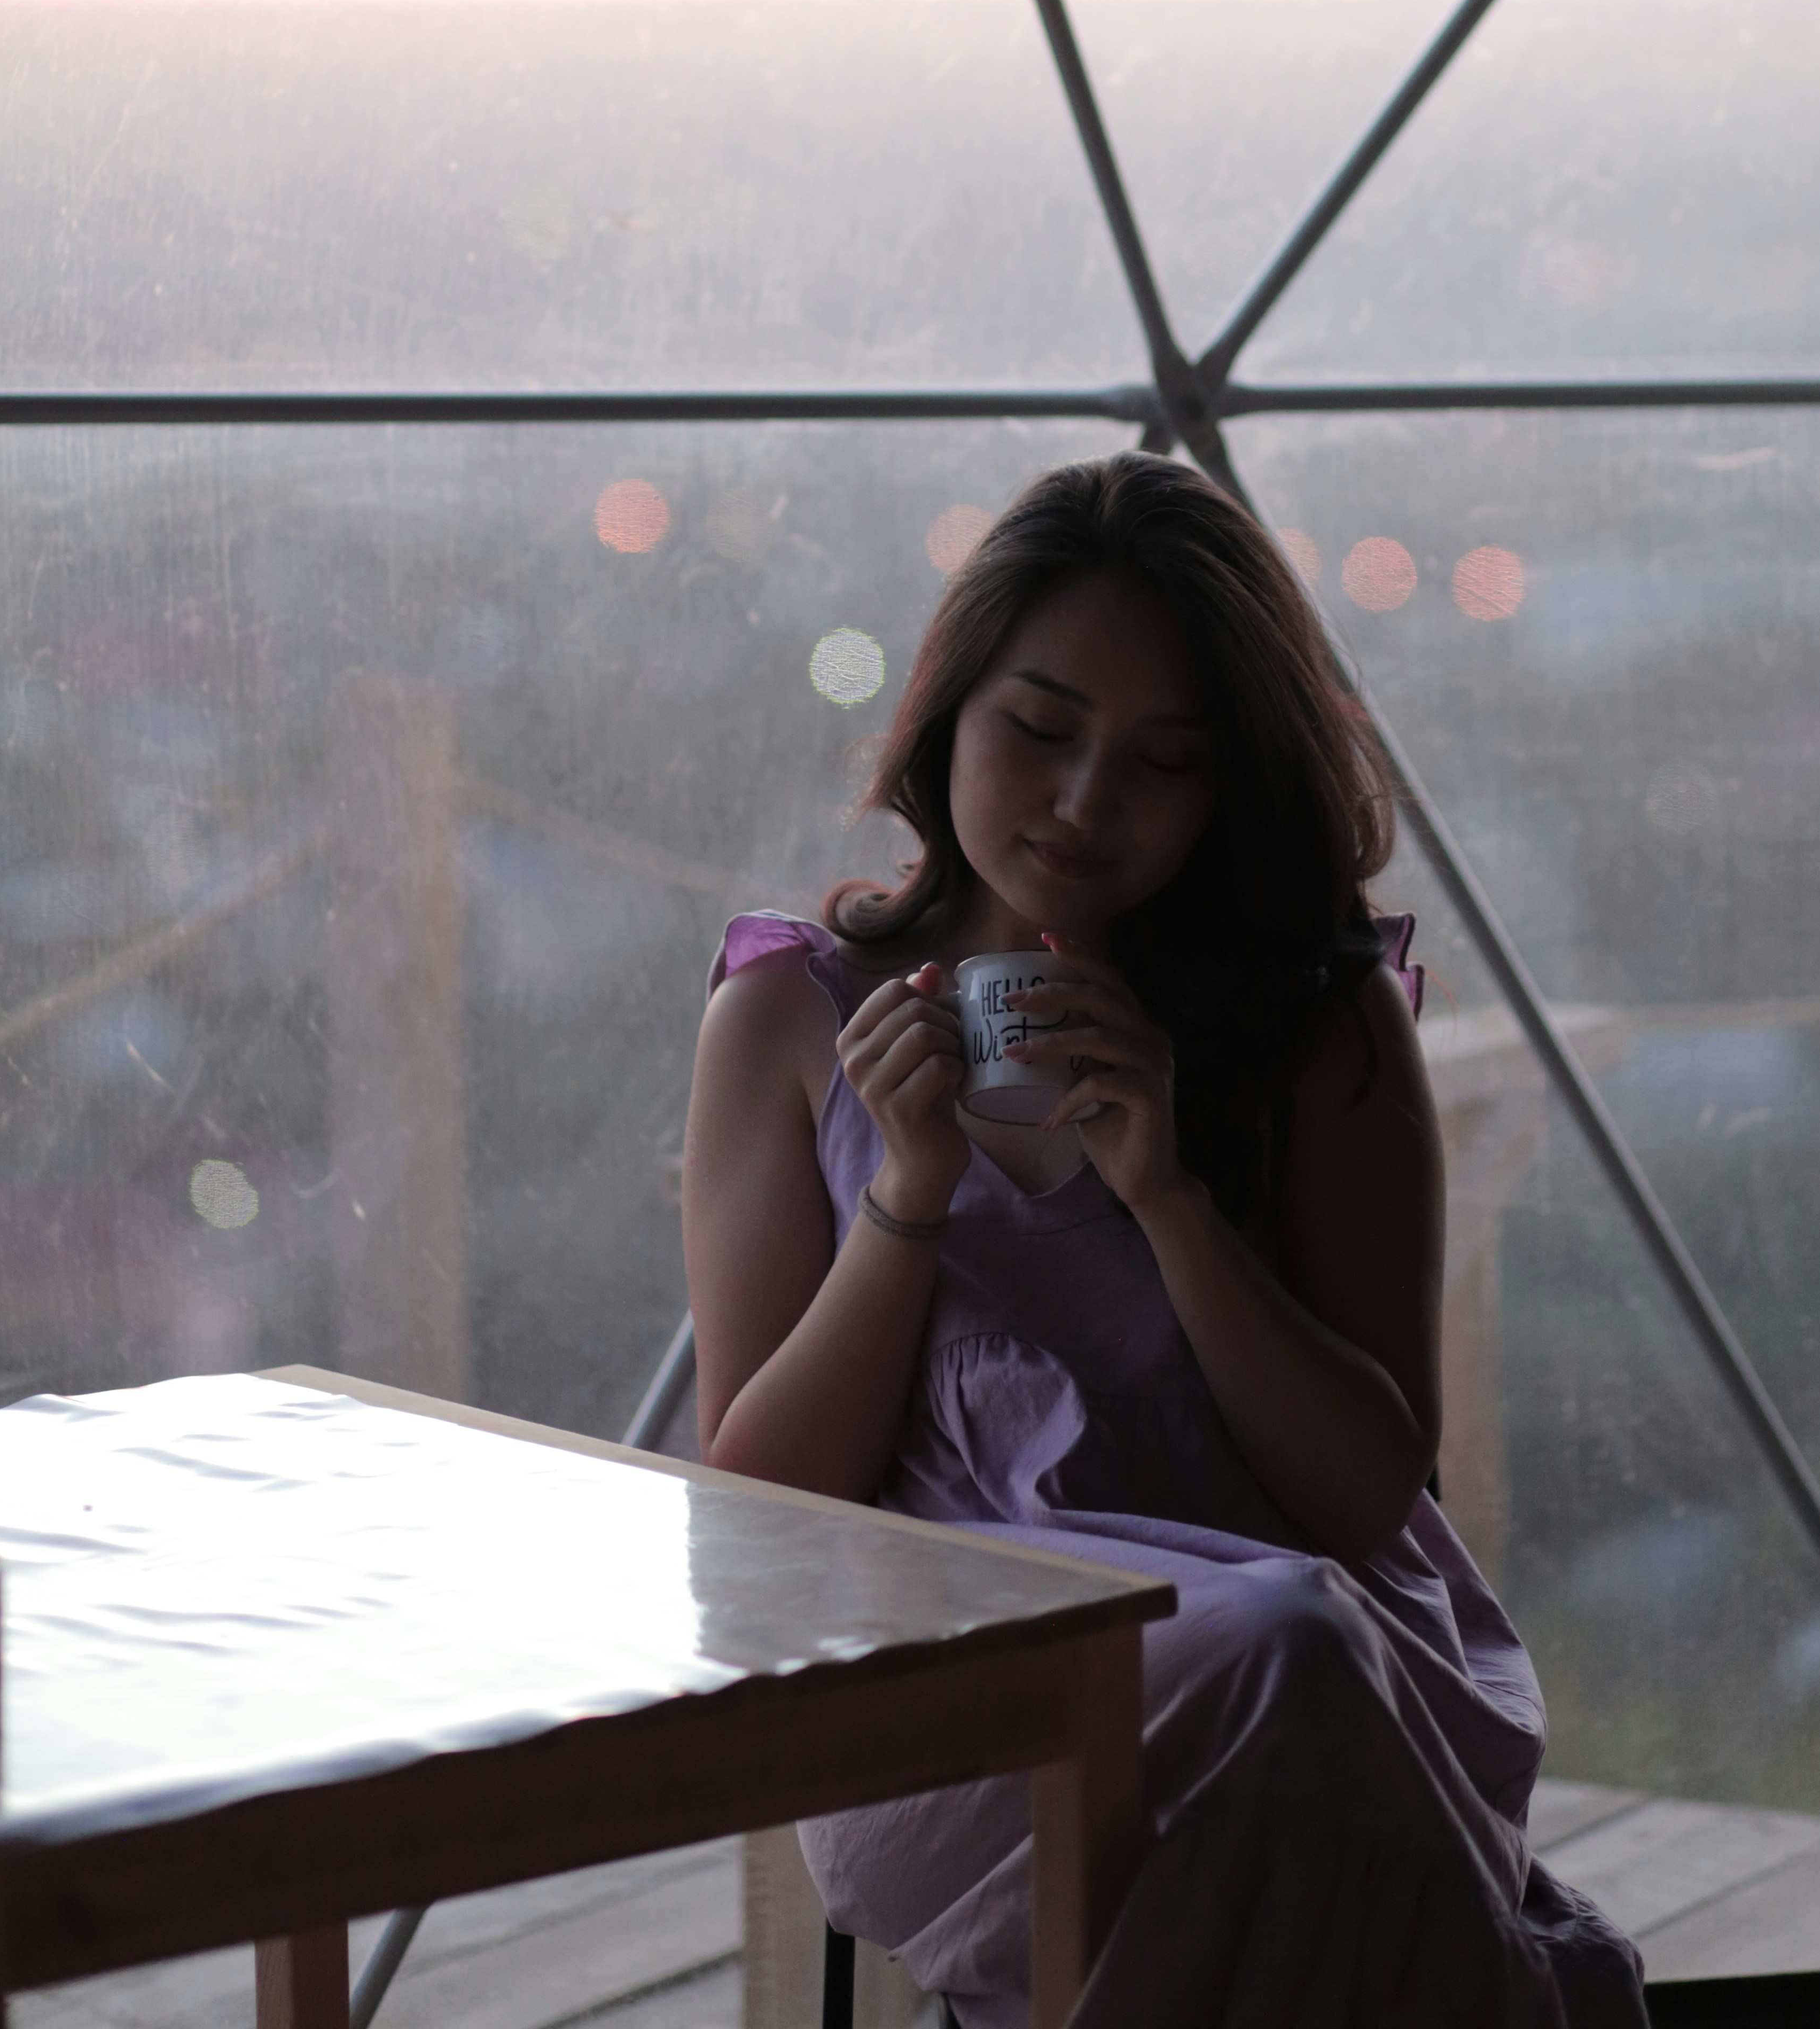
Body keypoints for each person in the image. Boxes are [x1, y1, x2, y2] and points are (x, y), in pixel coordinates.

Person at [683, 454, 1644, 2027]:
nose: (1081, 805)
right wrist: (906, 1201)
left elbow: (1360, 1491)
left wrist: (1171, 1195)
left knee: (1294, 1646)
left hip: (1330, 1666)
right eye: (1042, 731)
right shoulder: (793, 1021)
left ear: (1229, 787)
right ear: (949, 713)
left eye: (1163, 764)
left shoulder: (1318, 1027)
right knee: (1300, 1680)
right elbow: (765, 1525)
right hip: (953, 1702)